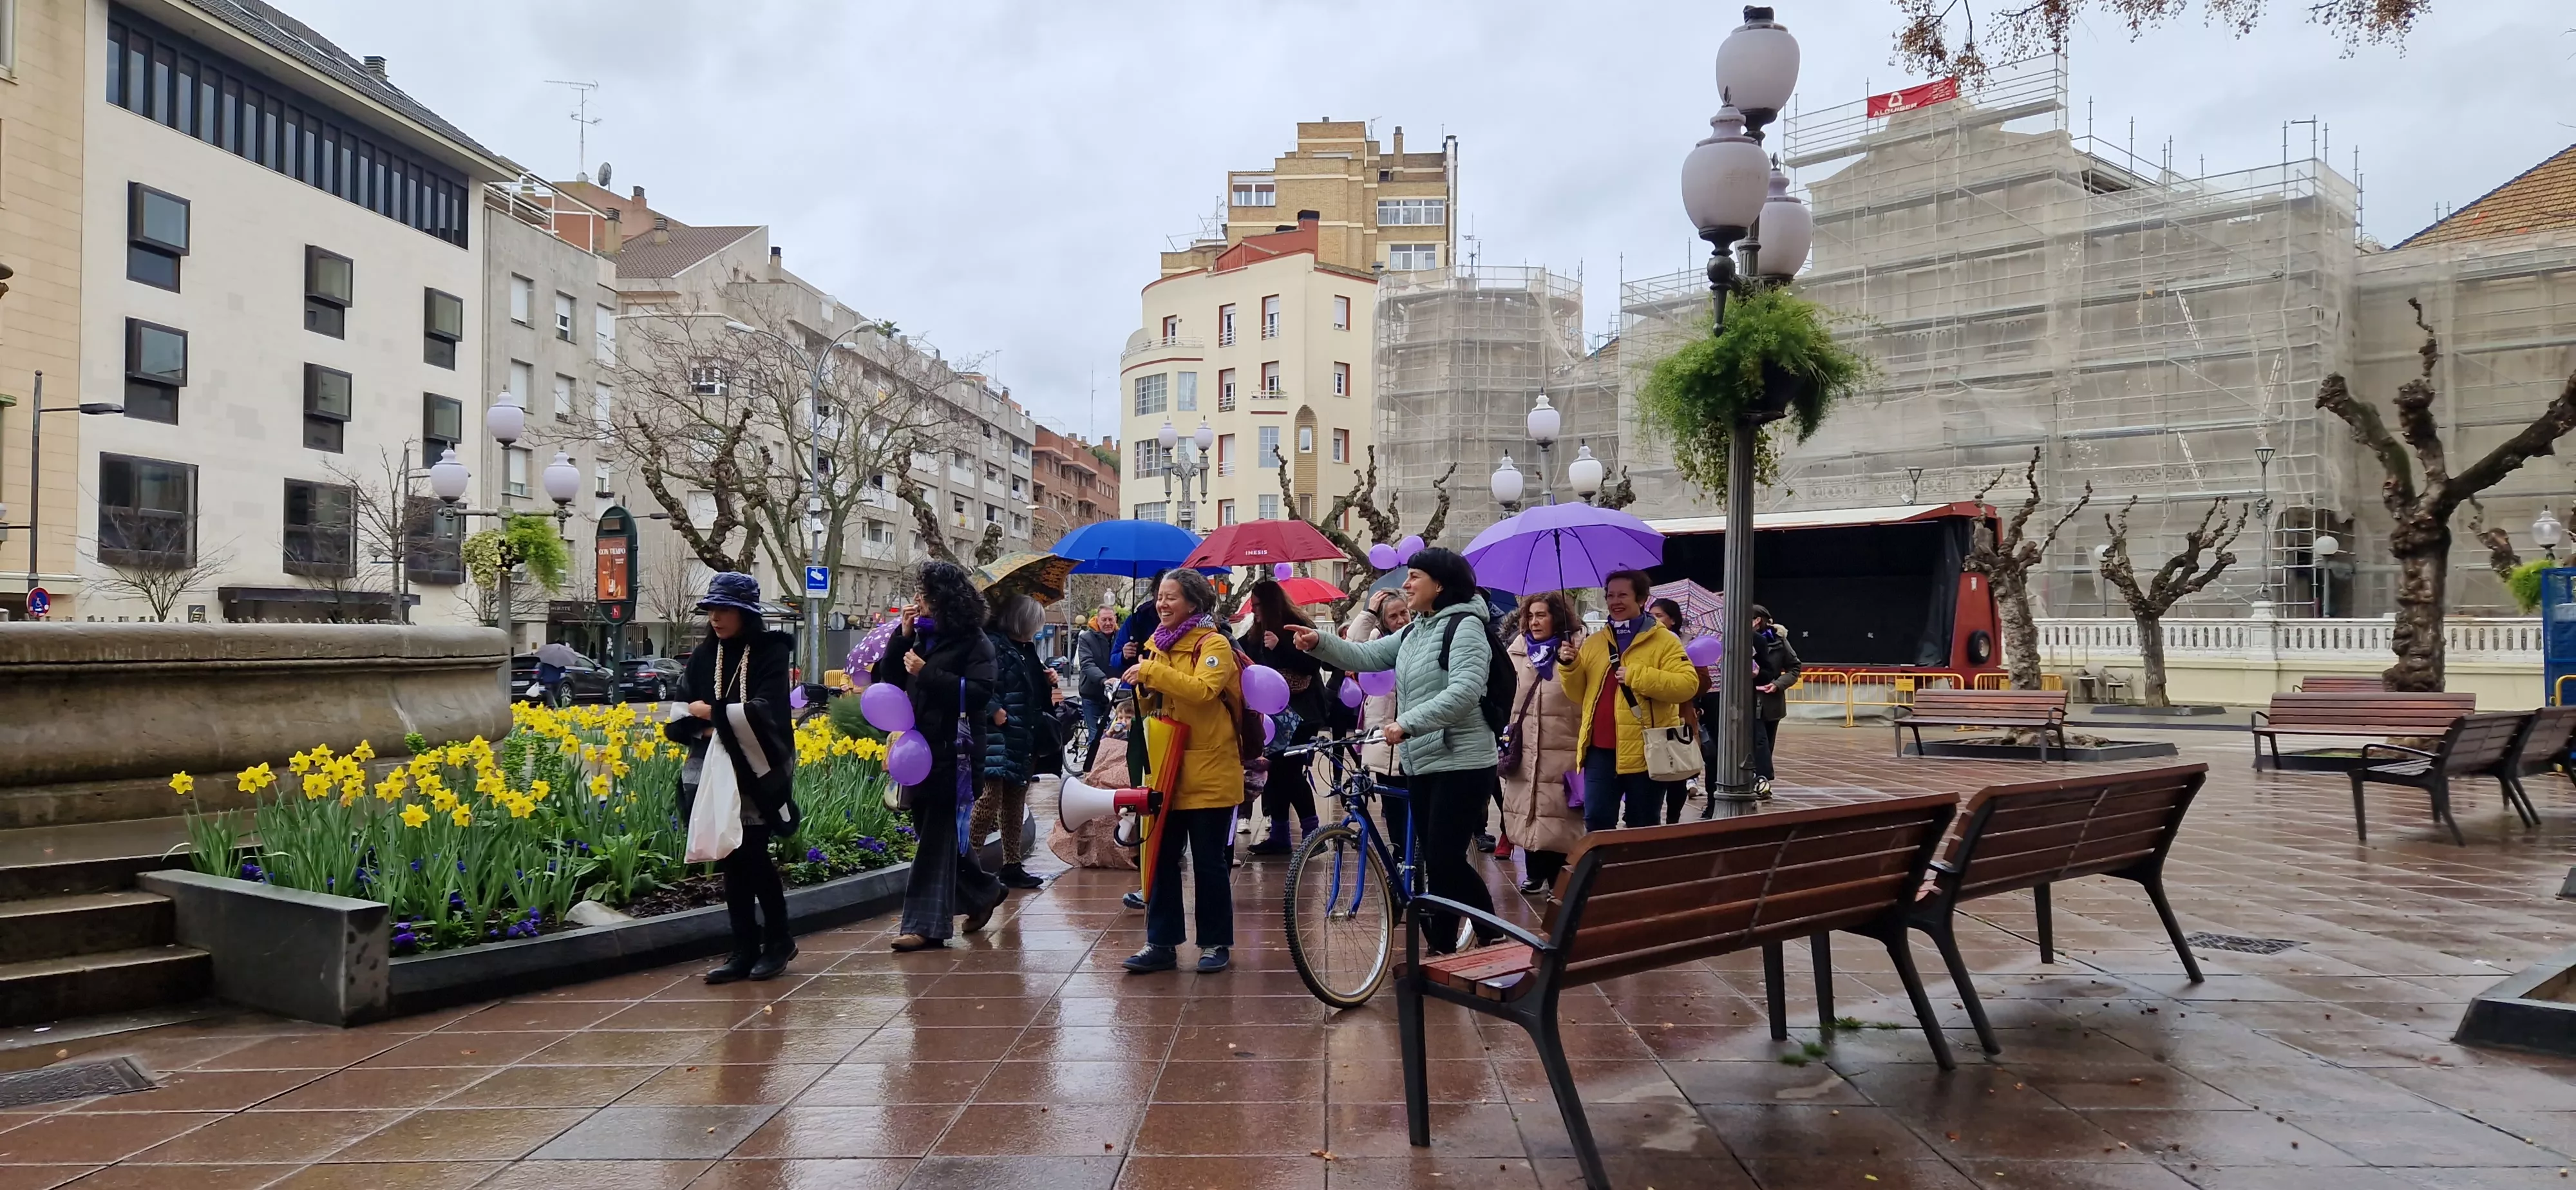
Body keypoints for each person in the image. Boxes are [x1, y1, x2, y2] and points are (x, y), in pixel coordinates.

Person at [1290, 547, 1499, 954]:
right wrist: (1319, 643)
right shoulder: (1416, 630)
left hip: (1463, 761)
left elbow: (1465, 692)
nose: (1406, 584)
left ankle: (1487, 932)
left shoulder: (1466, 627)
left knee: (1444, 858)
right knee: (1436, 861)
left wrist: (1407, 723)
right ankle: (1444, 946)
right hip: (1422, 760)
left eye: (1415, 576)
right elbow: (1367, 655)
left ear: (1440, 585)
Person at [663, 572, 801, 983]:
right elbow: (679, 718)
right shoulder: (705, 655)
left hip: (758, 768)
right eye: (711, 610)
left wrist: (713, 715)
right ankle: (744, 948)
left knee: (753, 855)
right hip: (709, 771)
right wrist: (715, 722)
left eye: (725, 610)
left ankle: (779, 940)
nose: (716, 618)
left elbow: (767, 711)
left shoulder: (770, 653)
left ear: (745, 614)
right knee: (730, 858)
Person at [872, 561, 1007, 951]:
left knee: (933, 841)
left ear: (945, 600)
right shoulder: (920, 637)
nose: (919, 601)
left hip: (955, 755)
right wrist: (902, 639)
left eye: (926, 596)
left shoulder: (975, 641)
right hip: (918, 753)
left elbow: (979, 694)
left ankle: (924, 926)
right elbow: (890, 682)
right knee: (935, 834)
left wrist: (928, 671)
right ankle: (983, 892)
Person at [1121, 569, 1245, 974]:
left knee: (1209, 862)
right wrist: (1143, 689)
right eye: (1160, 596)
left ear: (1193, 603)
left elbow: (1203, 691)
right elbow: (1155, 707)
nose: (1162, 604)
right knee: (1160, 857)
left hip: (1209, 770)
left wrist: (1152, 674)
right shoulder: (1157, 644)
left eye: (1171, 597)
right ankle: (1160, 942)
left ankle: (1215, 943)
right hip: (1166, 770)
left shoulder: (1215, 644)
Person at [1558, 569, 1700, 831]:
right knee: (1596, 820)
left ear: (1642, 599)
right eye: (1610, 596)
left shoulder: (1665, 641)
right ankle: (1605, 861)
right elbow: (1579, 695)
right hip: (1600, 751)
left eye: (1623, 595)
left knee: (1642, 824)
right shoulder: (1595, 642)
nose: (1615, 602)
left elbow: (1687, 685)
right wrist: (1570, 667)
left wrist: (1637, 676)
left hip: (1646, 752)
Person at [1501, 591, 1587, 895]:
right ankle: (1535, 872)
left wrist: (1572, 664)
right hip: (1524, 748)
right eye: (1531, 616)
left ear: (1557, 618)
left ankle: (1559, 881)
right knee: (1529, 811)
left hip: (1562, 747)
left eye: (1542, 615)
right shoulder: (1517, 650)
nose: (1535, 622)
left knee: (1559, 818)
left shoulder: (1578, 648)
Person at [1239, 579, 1327, 855]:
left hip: (1301, 715)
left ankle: (1313, 834)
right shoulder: (1257, 631)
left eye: (1258, 605)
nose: (1254, 611)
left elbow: (1313, 664)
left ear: (1270, 604)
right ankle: (1279, 835)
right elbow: (1244, 653)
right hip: (1275, 716)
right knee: (1275, 773)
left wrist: (1281, 647)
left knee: (1291, 773)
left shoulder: (1297, 625)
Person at [972, 595, 1049, 890]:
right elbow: (980, 684)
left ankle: (1012, 865)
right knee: (988, 799)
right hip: (998, 734)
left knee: (1016, 799)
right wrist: (995, 711)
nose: (1037, 629)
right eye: (1035, 623)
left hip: (1021, 734)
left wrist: (1046, 679)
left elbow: (1029, 687)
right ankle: (967, 864)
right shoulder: (994, 645)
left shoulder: (1025, 649)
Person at [1343, 588, 1412, 845]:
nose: (1401, 620)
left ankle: (1416, 858)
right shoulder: (1376, 640)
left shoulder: (1418, 636)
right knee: (1392, 805)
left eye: (1404, 613)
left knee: (1416, 806)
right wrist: (1369, 613)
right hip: (1383, 736)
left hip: (1413, 735)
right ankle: (1399, 853)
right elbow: (1350, 651)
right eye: (1393, 616)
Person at [1647, 598, 1709, 824]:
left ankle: (1673, 820)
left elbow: (1703, 683)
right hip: (1649, 716)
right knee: (1650, 772)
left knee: (1677, 772)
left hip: (1680, 717)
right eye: (1651, 615)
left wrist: (1685, 673)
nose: (1654, 620)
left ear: (1673, 620)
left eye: (1659, 616)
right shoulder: (1644, 641)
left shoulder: (1689, 645)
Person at [1745, 603, 1803, 802]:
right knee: (1756, 742)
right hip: (1745, 701)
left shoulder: (1778, 641)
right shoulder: (1737, 639)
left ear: (1757, 621)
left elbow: (1794, 667)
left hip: (1770, 702)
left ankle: (1760, 782)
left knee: (1766, 745)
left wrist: (1778, 684)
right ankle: (1760, 781)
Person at [1076, 607, 1118, 771]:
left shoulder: (1120, 636)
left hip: (1115, 693)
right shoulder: (1086, 638)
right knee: (1095, 735)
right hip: (1092, 692)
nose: (1108, 623)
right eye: (1104, 620)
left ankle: (1110, 769)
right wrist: (1104, 680)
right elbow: (1087, 664)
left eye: (1111, 620)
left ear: (1115, 620)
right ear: (1097, 620)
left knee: (1117, 732)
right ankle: (1093, 771)